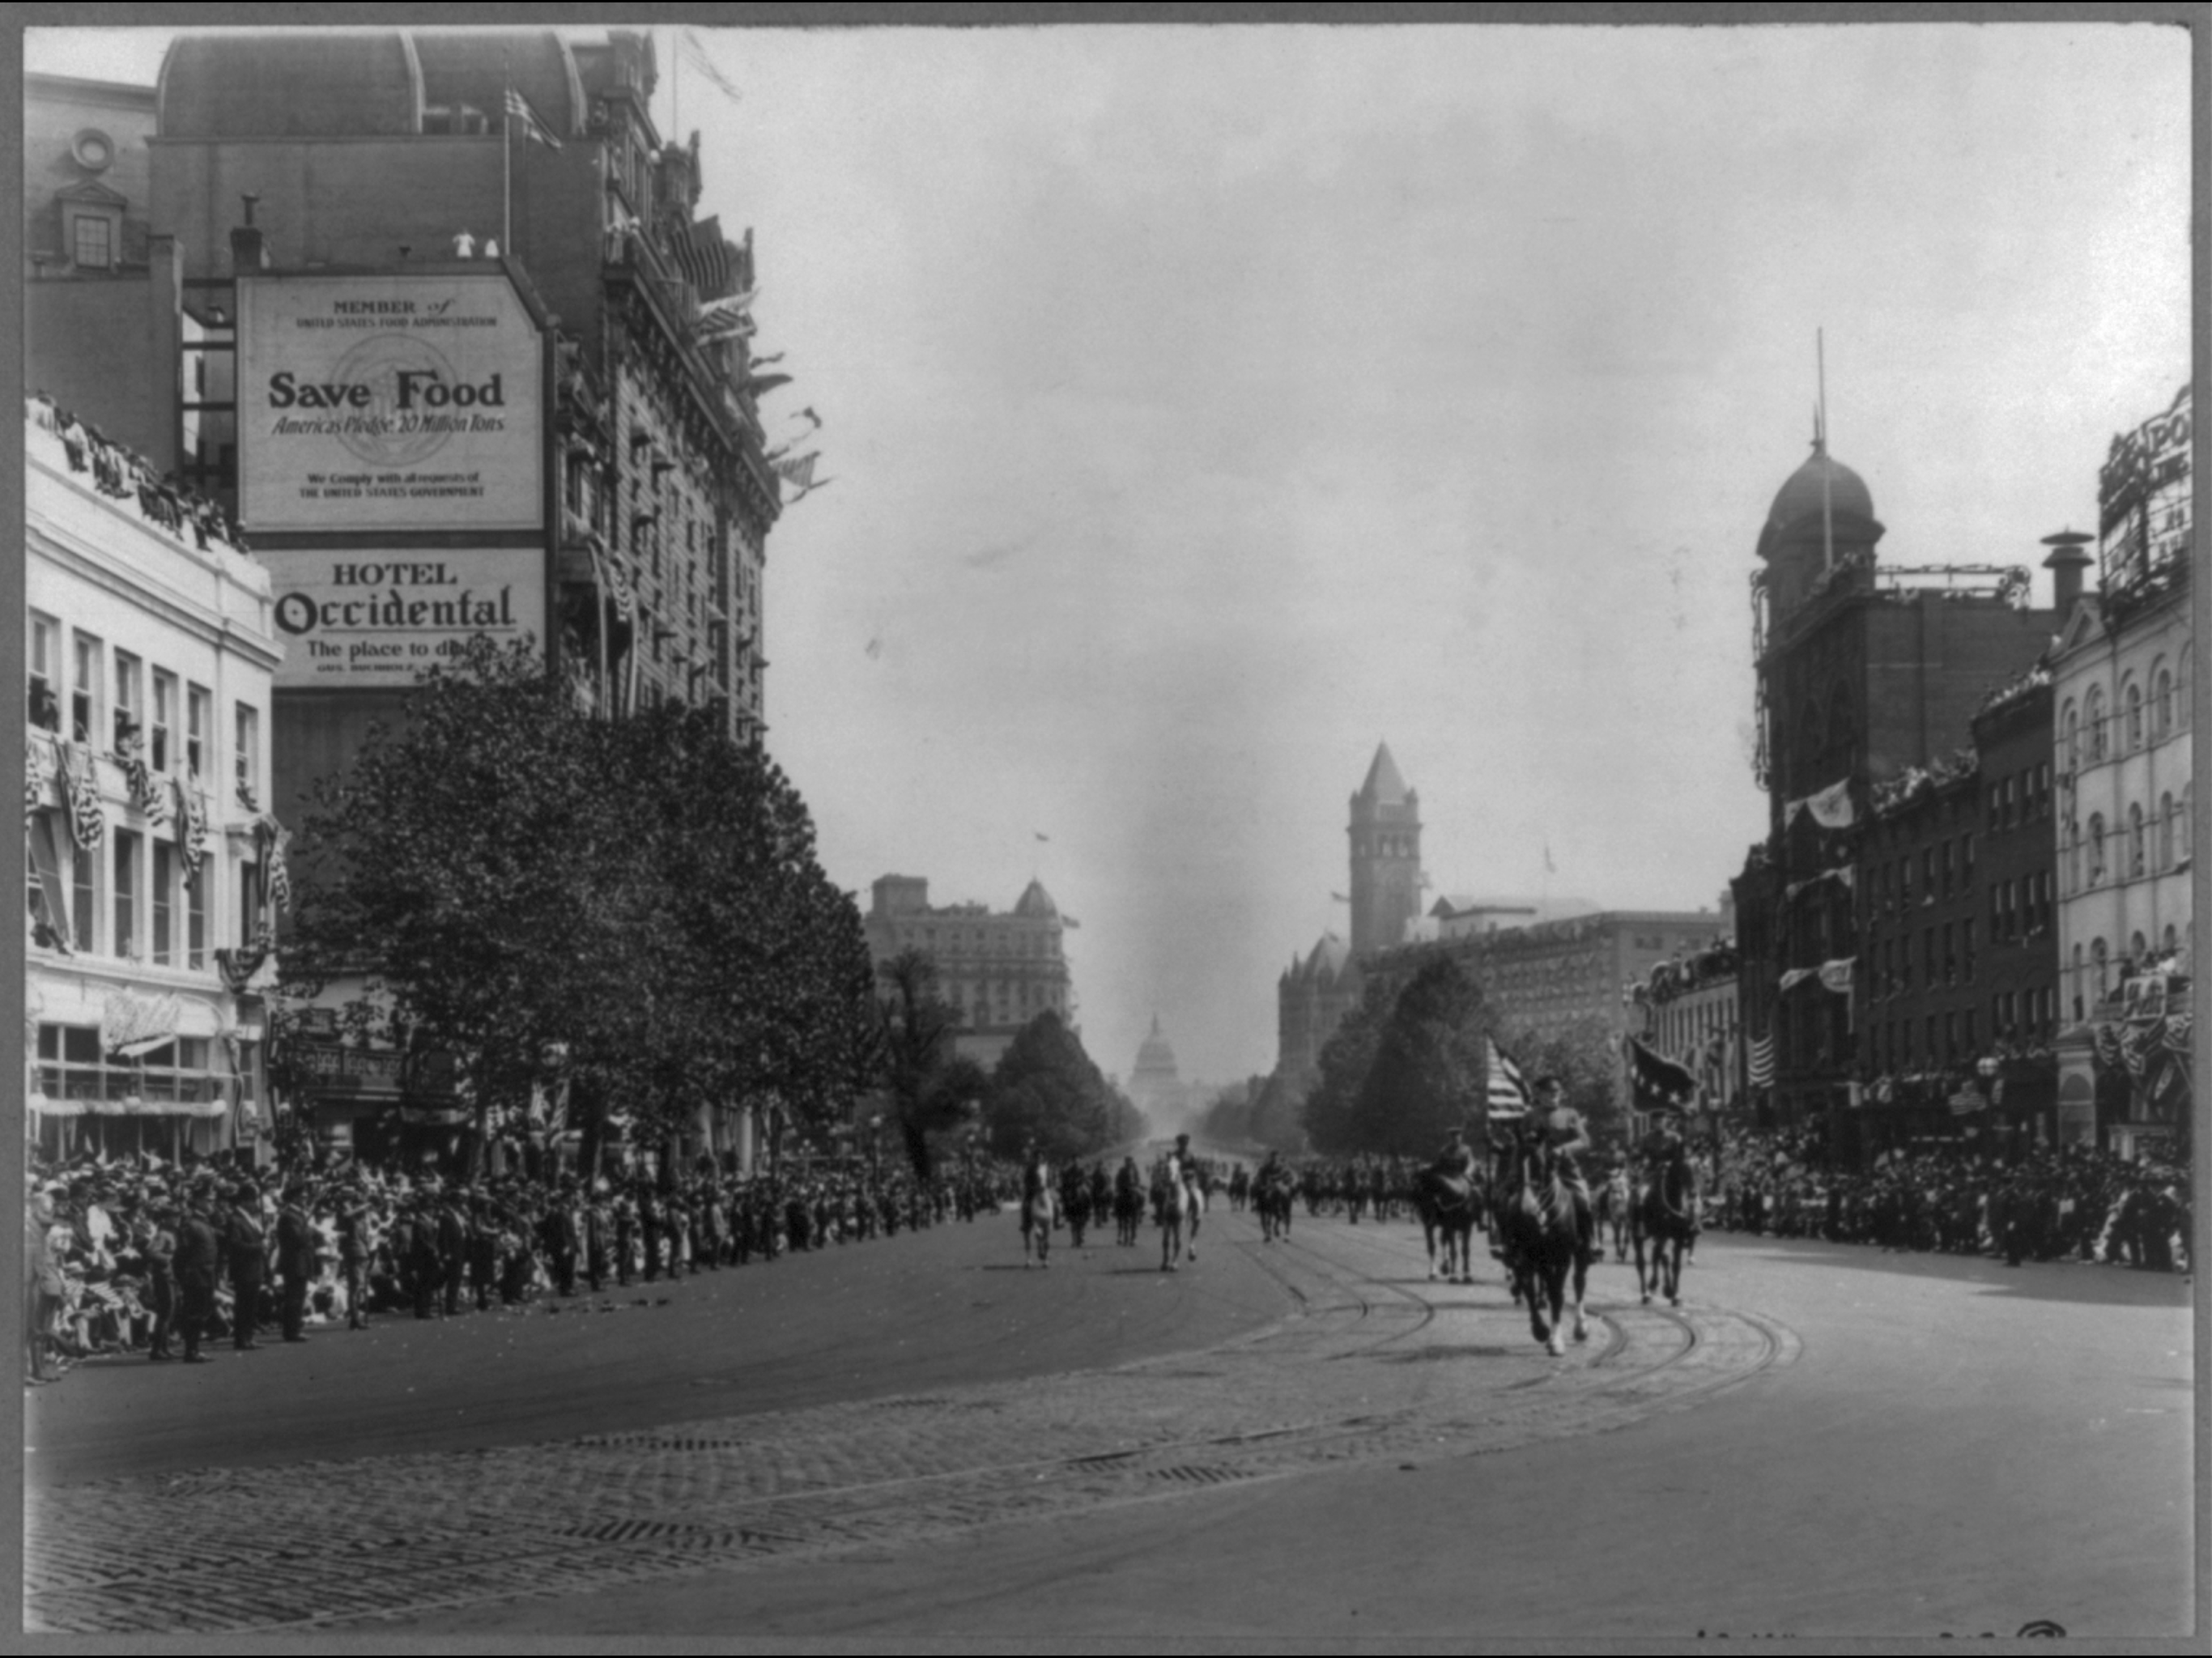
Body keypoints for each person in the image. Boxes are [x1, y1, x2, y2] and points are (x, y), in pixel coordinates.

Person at [224, 1184, 268, 1350]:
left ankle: (248, 1336)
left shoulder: (250, 1219)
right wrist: (259, 1246)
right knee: (244, 1305)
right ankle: (242, 1338)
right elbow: (235, 1244)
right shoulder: (235, 1220)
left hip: (254, 1267)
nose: (255, 1204)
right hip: (244, 1267)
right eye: (252, 1200)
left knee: (251, 1305)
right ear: (243, 1202)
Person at [275, 1183, 317, 1343]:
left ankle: (295, 1329)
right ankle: (291, 1331)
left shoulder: (298, 1215)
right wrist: (311, 1230)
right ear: (294, 1198)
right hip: (293, 1261)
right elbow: (299, 1238)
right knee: (293, 1298)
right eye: (303, 1197)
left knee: (298, 1297)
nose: (305, 1199)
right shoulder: (289, 1216)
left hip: (301, 1260)